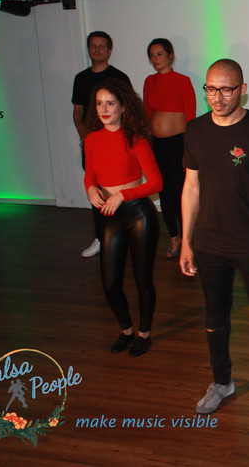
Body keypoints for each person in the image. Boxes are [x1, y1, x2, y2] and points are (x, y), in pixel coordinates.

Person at [180, 59, 249, 419]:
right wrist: (186, 240)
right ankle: (222, 381)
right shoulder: (195, 130)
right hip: (210, 242)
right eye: (211, 89)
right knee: (215, 314)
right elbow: (191, 187)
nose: (218, 97)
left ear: (242, 89)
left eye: (226, 89)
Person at [83, 79, 162, 357]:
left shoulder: (135, 139)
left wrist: (122, 195)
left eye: (110, 103)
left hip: (138, 214)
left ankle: (144, 333)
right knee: (110, 283)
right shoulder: (91, 139)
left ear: (124, 106)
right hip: (109, 216)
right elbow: (90, 175)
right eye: (99, 104)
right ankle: (126, 330)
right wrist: (90, 188)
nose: (104, 109)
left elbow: (156, 183)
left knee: (143, 279)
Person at [72, 31, 132, 258]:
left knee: (119, 188)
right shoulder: (81, 78)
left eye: (101, 46)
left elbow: (128, 110)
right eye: (93, 46)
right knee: (95, 190)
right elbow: (77, 110)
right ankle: (100, 237)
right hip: (92, 145)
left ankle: (124, 235)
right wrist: (84, 134)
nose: (96, 50)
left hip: (117, 145)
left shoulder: (119, 77)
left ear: (109, 50)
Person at [143, 38, 196, 259]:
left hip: (178, 144)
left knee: (181, 192)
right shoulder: (149, 81)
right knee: (163, 192)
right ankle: (174, 236)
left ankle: (187, 238)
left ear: (170, 55)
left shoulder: (183, 81)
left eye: (160, 54)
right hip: (157, 145)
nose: (156, 59)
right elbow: (147, 114)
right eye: (152, 55)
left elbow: (191, 117)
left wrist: (188, 150)